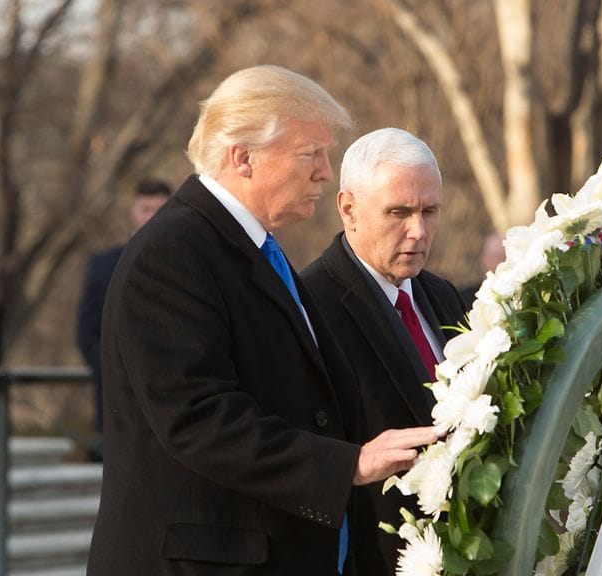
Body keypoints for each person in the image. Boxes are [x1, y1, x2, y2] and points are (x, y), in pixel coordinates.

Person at [87, 66, 440, 576]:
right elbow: (199, 418)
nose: (324, 170)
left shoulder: (249, 249)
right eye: (310, 153)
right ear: (242, 157)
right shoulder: (173, 253)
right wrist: (349, 464)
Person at [301, 127, 467, 575]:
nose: (418, 231)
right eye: (398, 212)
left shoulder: (443, 295)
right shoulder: (307, 305)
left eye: (430, 211)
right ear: (348, 209)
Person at [76, 179, 171, 461]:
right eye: (146, 209)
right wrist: (114, 368)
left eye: (159, 209)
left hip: (173, 401)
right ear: (134, 210)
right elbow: (86, 331)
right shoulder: (102, 265)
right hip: (116, 401)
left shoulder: (192, 261)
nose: (151, 216)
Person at [457, 230, 505, 304]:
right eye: (495, 256)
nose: (500, 264)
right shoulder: (462, 299)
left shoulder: (520, 300)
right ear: (484, 258)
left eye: (504, 258)